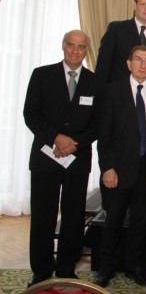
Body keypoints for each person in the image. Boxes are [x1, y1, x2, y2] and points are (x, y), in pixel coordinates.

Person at [23, 30, 101, 287]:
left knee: (74, 216)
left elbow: (98, 123)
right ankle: (42, 269)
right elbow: (31, 114)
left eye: (81, 47)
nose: (75, 51)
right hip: (46, 157)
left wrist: (73, 144)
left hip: (77, 159)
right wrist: (57, 137)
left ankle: (67, 267)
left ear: (86, 50)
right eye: (71, 45)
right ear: (63, 46)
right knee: (43, 215)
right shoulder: (42, 75)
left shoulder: (95, 82)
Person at [93, 45, 146, 288]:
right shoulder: (112, 91)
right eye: (137, 59)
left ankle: (134, 267)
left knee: (140, 222)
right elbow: (104, 135)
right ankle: (106, 268)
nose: (142, 64)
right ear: (128, 63)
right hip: (118, 171)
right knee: (113, 221)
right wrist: (107, 168)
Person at [95, 0, 146, 84]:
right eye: (143, 4)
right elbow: (103, 64)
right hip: (119, 89)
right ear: (135, 5)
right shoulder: (116, 29)